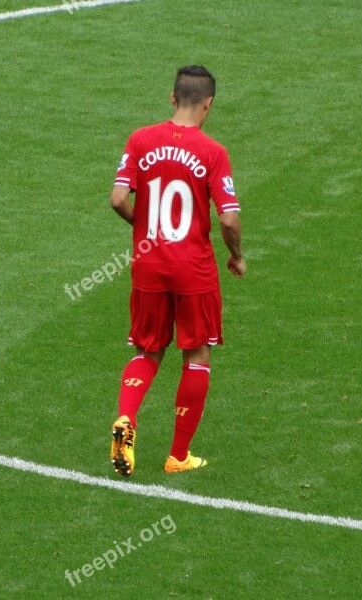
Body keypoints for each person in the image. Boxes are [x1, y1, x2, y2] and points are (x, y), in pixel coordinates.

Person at [109, 65, 246, 477]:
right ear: (208, 104)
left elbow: (117, 199)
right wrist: (236, 255)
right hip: (193, 271)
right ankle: (178, 455)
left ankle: (126, 418)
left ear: (172, 98)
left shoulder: (140, 140)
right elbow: (227, 220)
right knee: (197, 354)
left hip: (148, 265)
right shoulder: (213, 152)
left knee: (147, 350)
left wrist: (144, 227)